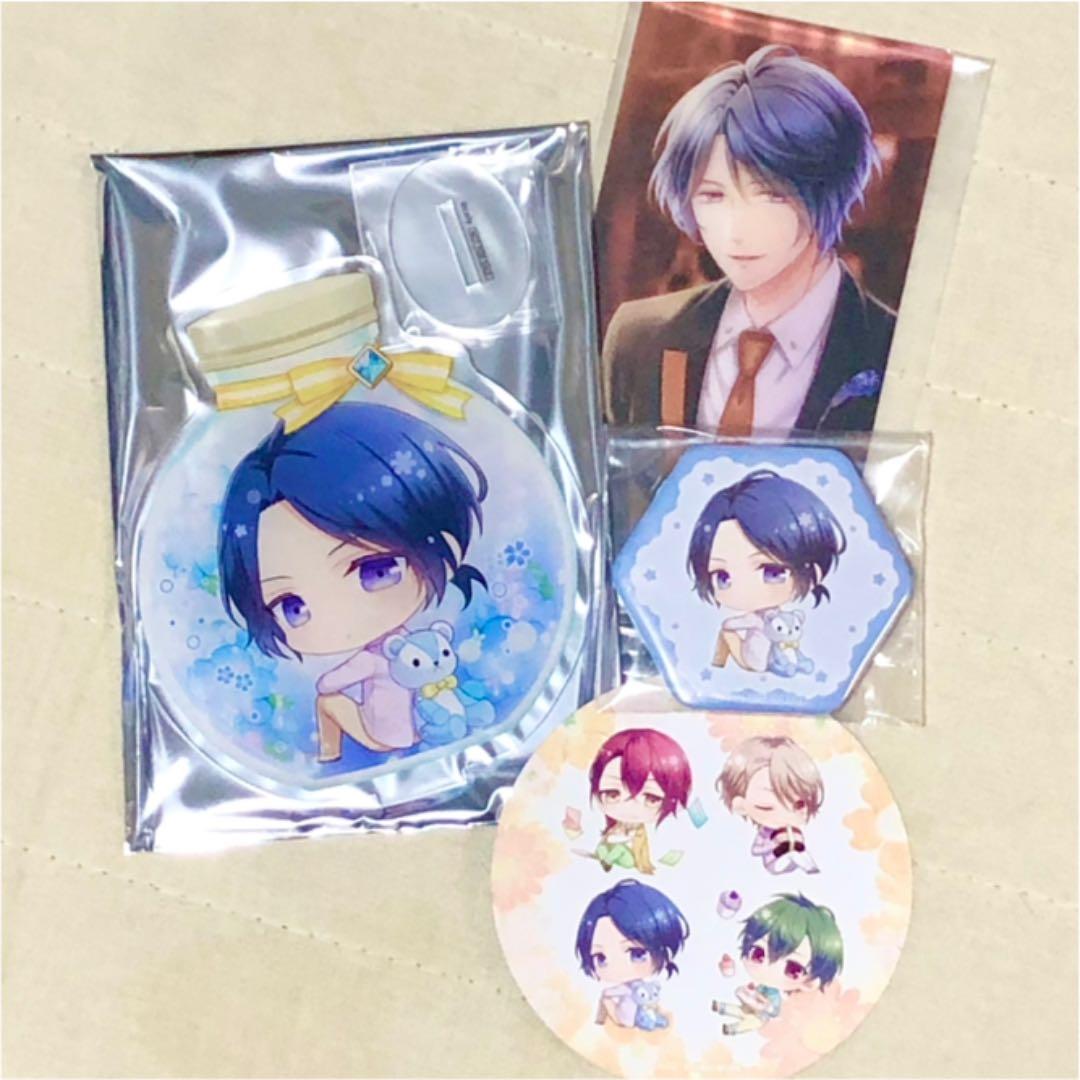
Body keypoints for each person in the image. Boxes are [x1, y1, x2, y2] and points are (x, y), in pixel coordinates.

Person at [603, 44, 894, 436]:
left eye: (771, 194)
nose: (737, 230)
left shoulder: (890, 349)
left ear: (829, 187)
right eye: (712, 195)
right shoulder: (640, 338)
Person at [218, 402, 487, 760]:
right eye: (292, 607)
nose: (341, 615)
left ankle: (329, 754)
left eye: (375, 570)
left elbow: (328, 683)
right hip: (423, 731)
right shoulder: (421, 644)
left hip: (387, 737)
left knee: (328, 700)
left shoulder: (374, 659)